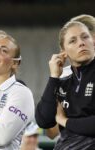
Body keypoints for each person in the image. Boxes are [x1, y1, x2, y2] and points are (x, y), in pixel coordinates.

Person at [35, 20, 95, 149]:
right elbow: (44, 120)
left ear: (93, 42)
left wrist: (64, 120)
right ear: (64, 52)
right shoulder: (63, 80)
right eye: (73, 41)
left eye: (85, 37)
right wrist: (54, 77)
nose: (81, 43)